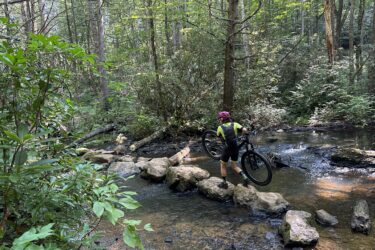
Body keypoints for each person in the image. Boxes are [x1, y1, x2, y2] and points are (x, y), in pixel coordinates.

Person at [216, 111, 249, 189]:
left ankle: (224, 183)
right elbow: (244, 129)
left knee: (223, 165)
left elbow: (218, 137)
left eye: (220, 118)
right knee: (234, 166)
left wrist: (220, 140)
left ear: (221, 119)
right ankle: (245, 177)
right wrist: (246, 132)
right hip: (235, 148)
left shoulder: (220, 128)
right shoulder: (235, 124)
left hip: (227, 149)